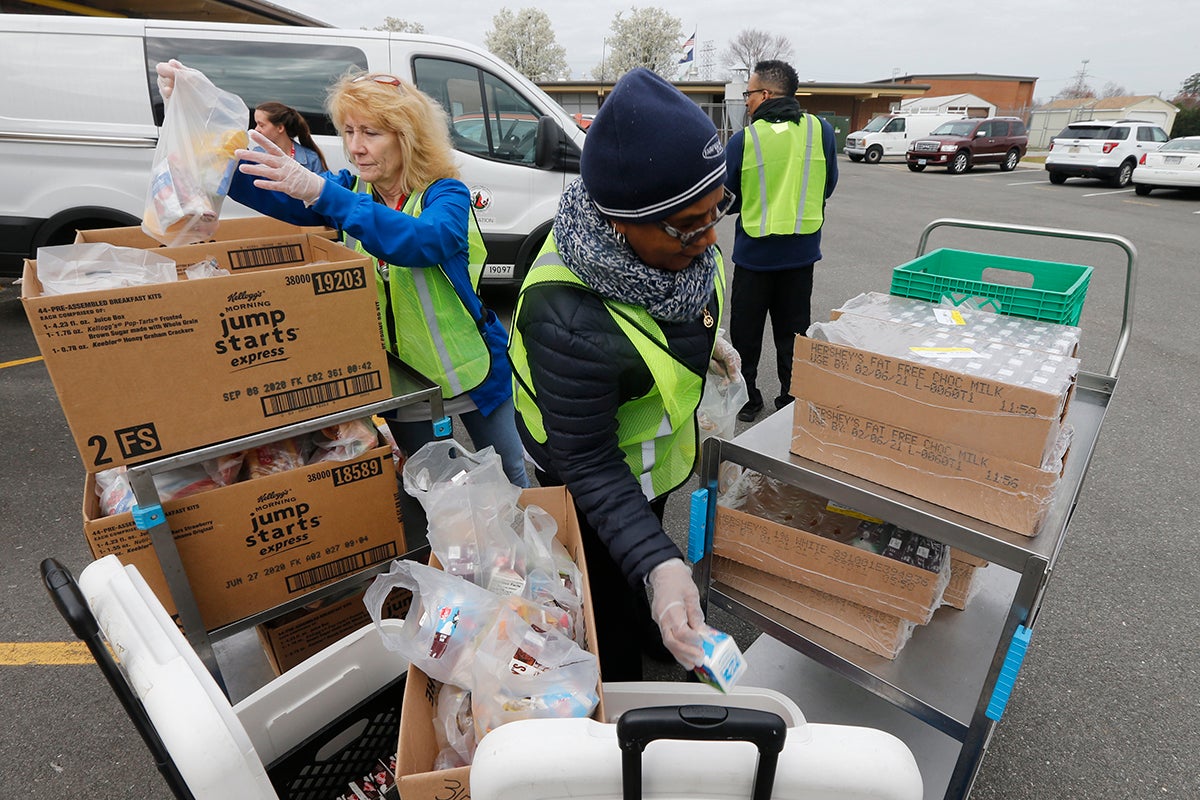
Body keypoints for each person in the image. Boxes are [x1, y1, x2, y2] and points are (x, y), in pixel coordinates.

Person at [154, 61, 529, 548]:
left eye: (371, 132)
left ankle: (530, 559)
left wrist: (323, 192)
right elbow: (266, 185)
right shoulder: (353, 192)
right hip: (406, 381)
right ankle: (470, 565)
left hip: (475, 367)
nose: (355, 146)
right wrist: (200, 119)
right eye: (349, 131)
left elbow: (423, 242)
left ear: (407, 137)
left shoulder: (446, 194)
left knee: (511, 477)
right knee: (436, 490)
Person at [508, 68, 742, 682]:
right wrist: (659, 564)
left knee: (646, 551)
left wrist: (709, 339)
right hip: (589, 475)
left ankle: (652, 626)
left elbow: (677, 308)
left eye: (719, 210)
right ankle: (618, 685)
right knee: (608, 587)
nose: (711, 237)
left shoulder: (679, 251)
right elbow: (587, 461)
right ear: (618, 221)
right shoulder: (565, 315)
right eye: (689, 225)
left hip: (654, 461)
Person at [725, 59, 839, 423]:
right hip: (801, 254)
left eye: (748, 93)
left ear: (765, 94)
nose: (746, 101)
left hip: (755, 255)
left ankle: (748, 399)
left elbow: (728, 196)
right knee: (794, 332)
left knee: (746, 333)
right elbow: (828, 183)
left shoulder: (746, 139)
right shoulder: (819, 131)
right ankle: (790, 398)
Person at [252, 100, 328, 173]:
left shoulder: (311, 159)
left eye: (261, 125)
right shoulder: (256, 154)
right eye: (256, 124)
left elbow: (322, 185)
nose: (256, 129)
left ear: (280, 128)